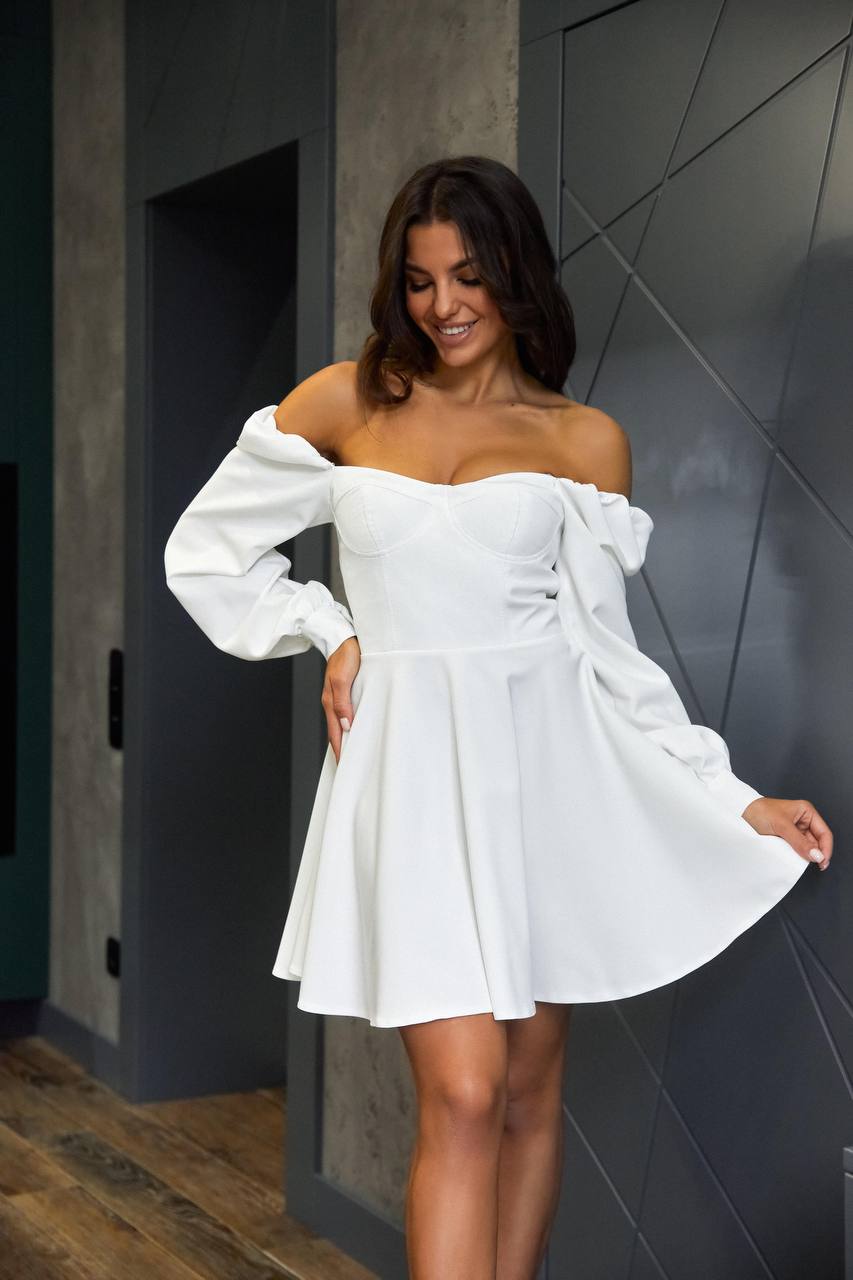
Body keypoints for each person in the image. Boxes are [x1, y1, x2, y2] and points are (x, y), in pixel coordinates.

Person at [164, 155, 834, 1280]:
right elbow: (208, 554)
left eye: (467, 275)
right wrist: (331, 630)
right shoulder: (345, 399)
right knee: (464, 1091)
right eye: (420, 281)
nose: (443, 305)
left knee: (527, 1094)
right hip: (409, 783)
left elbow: (610, 665)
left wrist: (734, 798)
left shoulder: (583, 442)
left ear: (514, 273)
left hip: (543, 787)